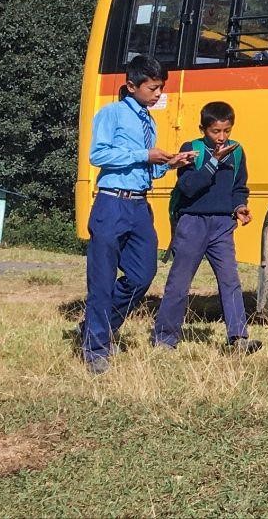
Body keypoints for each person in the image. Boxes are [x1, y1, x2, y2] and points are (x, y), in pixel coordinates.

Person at [82, 54, 186, 373]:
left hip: (140, 205)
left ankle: (94, 326)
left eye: (160, 88)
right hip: (112, 202)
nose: (158, 94)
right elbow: (97, 154)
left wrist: (168, 164)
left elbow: (147, 170)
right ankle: (97, 348)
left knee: (142, 275)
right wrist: (145, 154)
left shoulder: (149, 121)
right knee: (101, 280)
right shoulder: (111, 113)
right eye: (153, 88)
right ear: (132, 86)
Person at [152, 100, 260, 355]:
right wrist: (212, 162)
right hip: (193, 222)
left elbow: (238, 187)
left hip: (222, 225)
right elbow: (188, 187)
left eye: (227, 131)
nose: (222, 137)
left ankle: (238, 338)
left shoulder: (237, 151)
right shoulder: (192, 150)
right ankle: (165, 338)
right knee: (179, 282)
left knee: (230, 280)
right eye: (216, 132)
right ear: (203, 129)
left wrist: (239, 207)